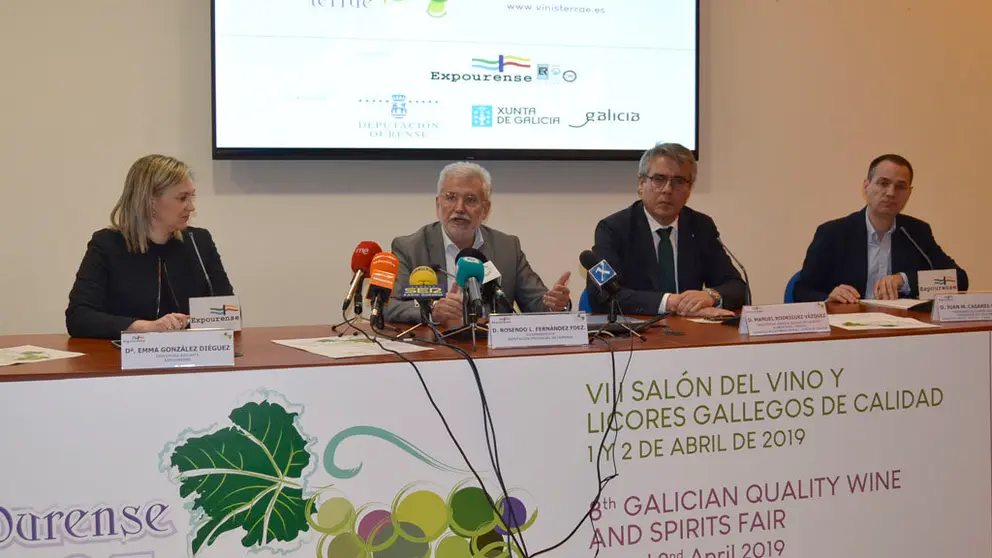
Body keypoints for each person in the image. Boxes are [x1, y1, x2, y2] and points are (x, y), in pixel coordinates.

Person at [385, 162, 571, 329]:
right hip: (434, 350)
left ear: (485, 209)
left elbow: (536, 303)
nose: (459, 208)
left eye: (470, 200)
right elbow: (389, 306)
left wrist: (554, 303)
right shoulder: (409, 247)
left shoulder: (507, 247)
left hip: (490, 351)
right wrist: (432, 310)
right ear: (438, 204)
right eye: (451, 197)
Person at [65, 154, 234, 339]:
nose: (191, 207)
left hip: (191, 357)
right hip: (124, 361)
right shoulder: (107, 245)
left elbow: (229, 312)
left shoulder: (199, 241)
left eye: (192, 196)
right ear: (150, 200)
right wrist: (146, 327)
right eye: (182, 198)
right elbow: (79, 317)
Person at [588, 142, 745, 316]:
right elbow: (602, 295)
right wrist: (669, 302)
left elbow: (737, 287)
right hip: (639, 335)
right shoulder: (613, 230)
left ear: (689, 190)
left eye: (678, 181)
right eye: (659, 179)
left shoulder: (701, 227)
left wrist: (711, 296)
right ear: (641, 184)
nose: (667, 189)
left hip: (693, 333)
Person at [794, 154, 967, 303]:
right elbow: (801, 290)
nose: (891, 193)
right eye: (883, 183)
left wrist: (904, 280)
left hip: (902, 330)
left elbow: (958, 279)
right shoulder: (833, 233)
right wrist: (828, 297)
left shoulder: (917, 232)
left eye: (900, 186)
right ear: (866, 186)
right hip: (848, 332)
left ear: (909, 193)